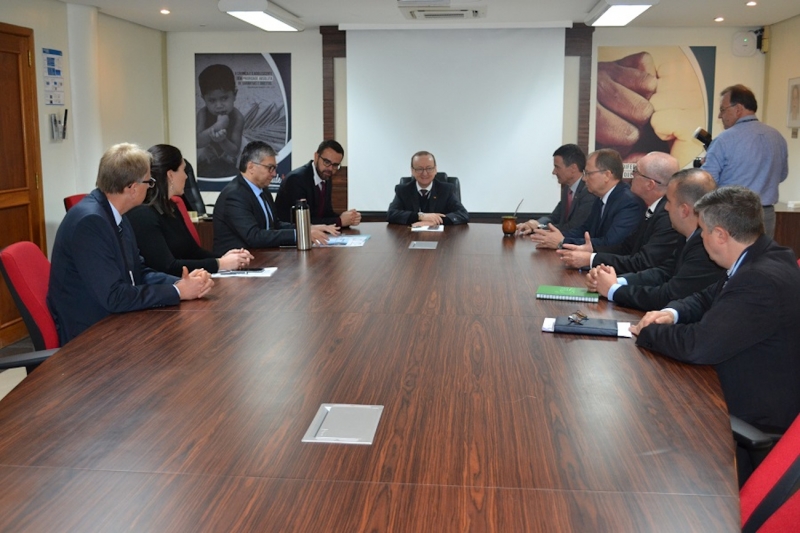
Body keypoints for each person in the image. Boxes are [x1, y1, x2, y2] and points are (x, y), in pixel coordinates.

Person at [630, 186, 800, 442]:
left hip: (752, 413)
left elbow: (698, 345)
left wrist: (648, 330)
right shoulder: (761, 257)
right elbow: (705, 297)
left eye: (703, 232)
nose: (700, 239)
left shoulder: (759, 280)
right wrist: (670, 313)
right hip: (734, 380)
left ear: (720, 234)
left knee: (648, 419)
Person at [47, 143, 214, 345]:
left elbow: (138, 271)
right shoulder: (90, 222)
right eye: (148, 181)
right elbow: (114, 296)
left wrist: (180, 283)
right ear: (133, 188)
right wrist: (178, 292)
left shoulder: (115, 214)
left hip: (114, 321)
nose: (151, 186)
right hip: (89, 336)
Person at [586, 169, 725, 311]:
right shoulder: (688, 236)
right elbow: (662, 272)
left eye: (669, 201)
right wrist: (617, 281)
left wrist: (613, 290)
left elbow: (668, 295)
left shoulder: (704, 245)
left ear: (684, 210)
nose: (665, 207)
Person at [127, 144, 254, 276]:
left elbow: (193, 252)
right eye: (183, 170)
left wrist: (223, 257)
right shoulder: (142, 215)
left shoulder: (172, 207)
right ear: (170, 175)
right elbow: (167, 266)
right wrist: (220, 264)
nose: (186, 177)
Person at [556, 151, 680, 272]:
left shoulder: (666, 215)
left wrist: (591, 258)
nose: (631, 177)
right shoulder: (652, 209)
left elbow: (644, 262)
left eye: (636, 172)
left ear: (650, 184)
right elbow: (625, 247)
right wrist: (592, 252)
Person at [213, 141, 339, 253]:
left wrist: (308, 227)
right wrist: (301, 234)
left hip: (261, 258)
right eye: (270, 168)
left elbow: (275, 225)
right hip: (236, 268)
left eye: (275, 168)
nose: (274, 174)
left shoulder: (264, 191)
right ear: (251, 167)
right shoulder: (234, 195)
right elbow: (254, 237)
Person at [702, 84, 788, 238]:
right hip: (766, 215)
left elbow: (707, 181)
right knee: (760, 260)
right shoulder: (777, 137)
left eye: (722, 110)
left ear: (738, 109)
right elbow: (782, 175)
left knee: (732, 261)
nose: (720, 116)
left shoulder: (724, 140)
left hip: (732, 215)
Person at [531, 149, 643, 249]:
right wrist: (552, 236)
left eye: (588, 173)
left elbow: (610, 243)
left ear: (607, 175)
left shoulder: (628, 203)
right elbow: (584, 230)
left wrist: (562, 241)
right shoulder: (600, 198)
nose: (584, 179)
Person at [274, 140, 361, 227]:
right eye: (327, 162)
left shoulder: (325, 176)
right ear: (316, 156)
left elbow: (327, 214)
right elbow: (303, 220)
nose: (330, 168)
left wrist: (349, 218)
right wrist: (339, 221)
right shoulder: (296, 179)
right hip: (291, 236)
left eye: (335, 165)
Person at [516, 144, 594, 236]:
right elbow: (554, 217)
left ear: (573, 168)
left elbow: (573, 227)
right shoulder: (567, 189)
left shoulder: (589, 191)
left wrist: (538, 228)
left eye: (557, 167)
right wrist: (536, 223)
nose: (553, 172)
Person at [387, 151, 469, 226]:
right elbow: (391, 214)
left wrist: (434, 221)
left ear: (435, 169)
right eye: (419, 169)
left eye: (429, 168)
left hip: (442, 238)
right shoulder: (403, 190)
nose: (425, 173)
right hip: (409, 236)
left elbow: (463, 214)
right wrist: (421, 216)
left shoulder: (446, 189)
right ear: (412, 171)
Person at [196, 63, 245, 178]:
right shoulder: (203, 113)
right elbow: (198, 142)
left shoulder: (237, 117)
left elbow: (234, 151)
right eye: (212, 100)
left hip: (230, 156)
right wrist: (219, 125)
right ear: (204, 99)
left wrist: (222, 141)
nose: (219, 105)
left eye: (224, 98)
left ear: (234, 94)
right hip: (208, 154)